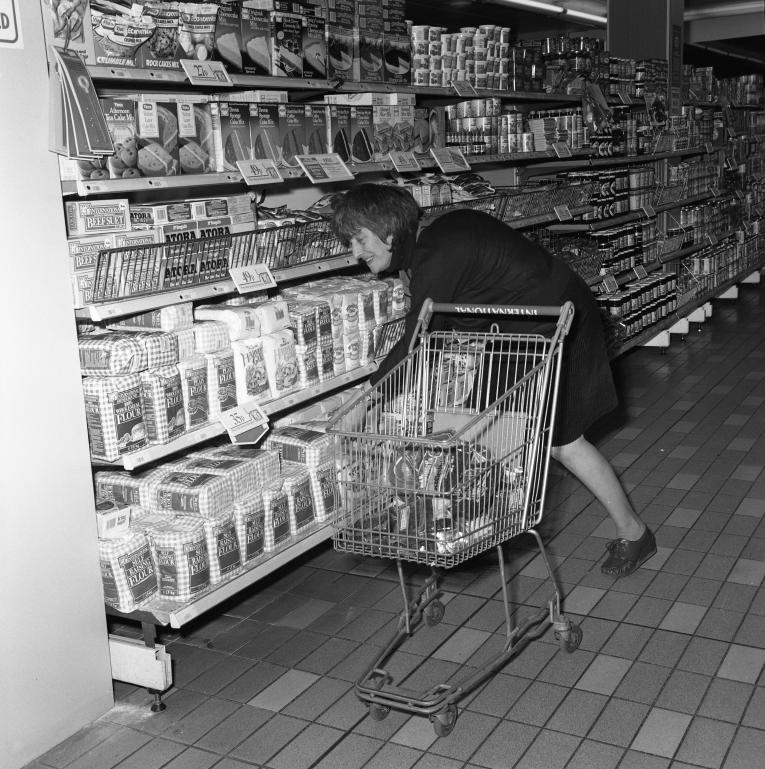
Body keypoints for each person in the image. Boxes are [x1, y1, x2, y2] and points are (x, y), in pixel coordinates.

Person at [332, 182, 655, 578]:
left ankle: (634, 532)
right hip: (515, 332)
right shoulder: (429, 244)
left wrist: (364, 402)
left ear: (388, 230)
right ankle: (473, 525)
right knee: (481, 427)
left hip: (560, 324)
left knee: (562, 442)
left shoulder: (438, 253)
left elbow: (415, 341)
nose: (354, 252)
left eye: (358, 238)